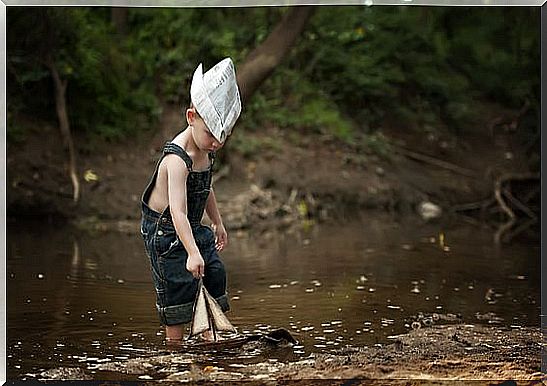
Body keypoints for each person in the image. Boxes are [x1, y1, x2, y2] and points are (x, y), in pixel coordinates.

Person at [140, 58, 241, 343]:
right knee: (178, 286)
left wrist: (218, 222)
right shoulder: (177, 160)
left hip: (192, 223)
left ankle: (209, 333)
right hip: (166, 230)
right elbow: (178, 213)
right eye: (211, 134)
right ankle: (174, 348)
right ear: (191, 117)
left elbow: (205, 188)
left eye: (223, 137)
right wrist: (192, 252)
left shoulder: (207, 150)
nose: (216, 143)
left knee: (215, 272)